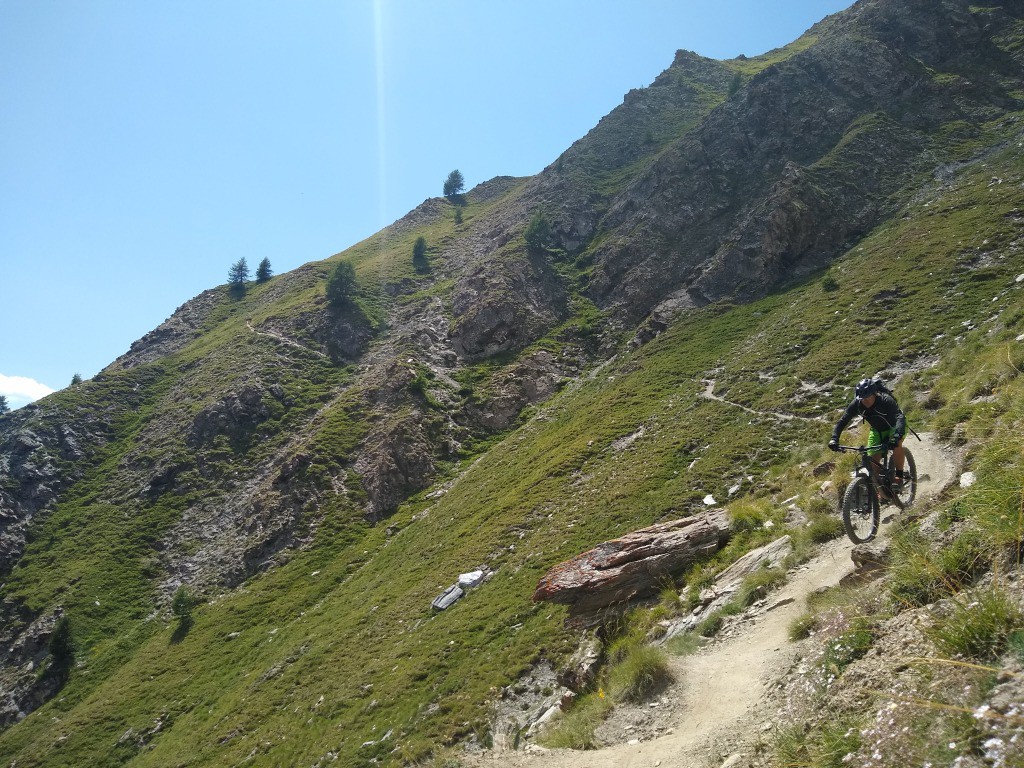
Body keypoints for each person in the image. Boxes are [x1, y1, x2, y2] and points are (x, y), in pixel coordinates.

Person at [828, 378, 907, 487]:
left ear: (874, 394)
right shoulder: (857, 404)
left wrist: (897, 436)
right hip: (877, 430)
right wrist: (834, 438)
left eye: (868, 397)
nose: (866, 401)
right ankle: (881, 489)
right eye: (863, 399)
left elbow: (899, 417)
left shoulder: (886, 400)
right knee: (874, 461)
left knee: (897, 445)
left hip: (894, 427)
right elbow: (842, 421)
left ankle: (899, 476)